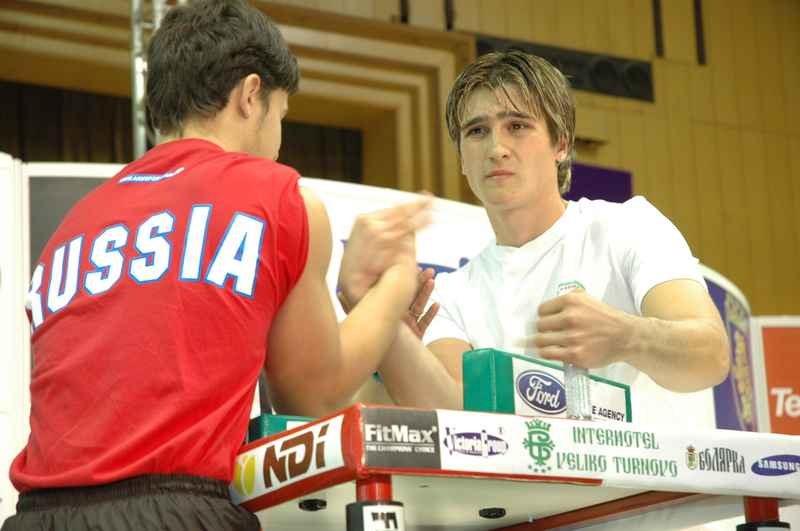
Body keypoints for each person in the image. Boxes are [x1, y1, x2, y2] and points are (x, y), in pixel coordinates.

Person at [2, 1, 430, 530]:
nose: (278, 140)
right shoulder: (274, 194)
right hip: (175, 511)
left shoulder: (77, 221)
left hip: (37, 517)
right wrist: (395, 281)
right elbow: (312, 393)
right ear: (251, 95)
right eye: (281, 117)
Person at [343, 50, 730, 422]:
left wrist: (626, 336)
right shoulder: (451, 293)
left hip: (650, 488)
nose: (496, 148)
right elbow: (457, 411)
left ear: (561, 142)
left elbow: (711, 355)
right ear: (462, 157)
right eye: (477, 131)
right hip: (524, 489)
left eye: (517, 126)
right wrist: (394, 339)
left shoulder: (628, 226)